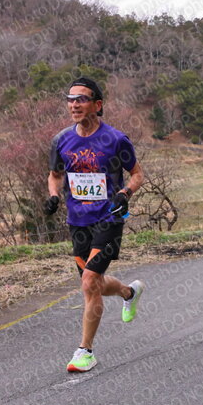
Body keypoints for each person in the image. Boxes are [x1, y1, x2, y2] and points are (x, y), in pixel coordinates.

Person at [46, 77, 146, 372]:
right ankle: (129, 293)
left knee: (89, 281)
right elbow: (55, 175)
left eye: (81, 99)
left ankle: (85, 351)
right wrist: (53, 196)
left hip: (109, 218)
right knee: (95, 284)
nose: (74, 105)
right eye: (70, 99)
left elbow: (137, 174)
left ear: (97, 104)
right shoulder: (61, 140)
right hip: (78, 221)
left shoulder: (116, 139)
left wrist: (125, 193)